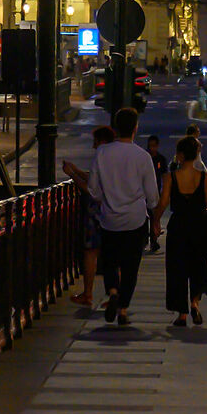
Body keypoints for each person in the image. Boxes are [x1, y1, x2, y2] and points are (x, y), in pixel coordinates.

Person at [91, 108, 159, 328]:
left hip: (109, 218)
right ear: (135, 128)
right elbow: (152, 196)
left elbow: (93, 189)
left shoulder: (102, 153)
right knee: (131, 267)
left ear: (116, 127)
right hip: (135, 220)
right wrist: (153, 212)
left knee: (110, 260)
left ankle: (112, 291)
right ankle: (123, 309)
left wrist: (105, 199)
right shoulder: (143, 157)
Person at [157, 134, 207, 327]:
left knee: (178, 268)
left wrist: (155, 220)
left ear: (180, 155)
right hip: (199, 225)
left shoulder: (170, 177)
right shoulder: (204, 177)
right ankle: (195, 303)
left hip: (178, 226)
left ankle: (182, 313)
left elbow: (164, 202)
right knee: (198, 265)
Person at [65, 124, 114, 307]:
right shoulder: (113, 158)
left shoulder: (100, 156)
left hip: (95, 211)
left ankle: (88, 294)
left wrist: (72, 176)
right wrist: (78, 171)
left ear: (100, 141)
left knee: (91, 252)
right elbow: (96, 180)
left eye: (95, 142)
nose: (93, 146)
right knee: (110, 253)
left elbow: (91, 189)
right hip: (112, 208)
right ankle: (113, 294)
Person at [144, 134, 169, 252]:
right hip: (143, 191)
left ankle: (153, 240)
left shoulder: (161, 159)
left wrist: (164, 191)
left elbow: (164, 175)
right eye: (150, 146)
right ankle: (144, 239)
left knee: (154, 217)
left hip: (156, 191)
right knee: (145, 217)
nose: (152, 148)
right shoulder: (144, 158)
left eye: (154, 146)